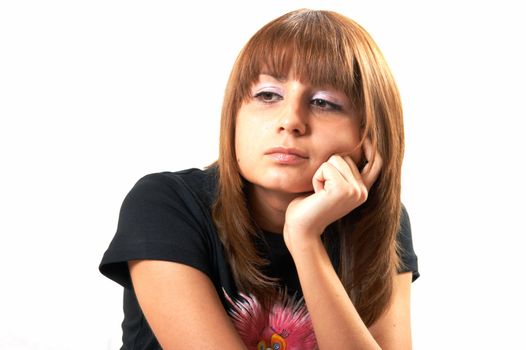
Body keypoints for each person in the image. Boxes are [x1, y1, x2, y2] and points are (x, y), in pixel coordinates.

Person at [99, 8, 419, 350]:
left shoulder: (381, 222)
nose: (290, 121)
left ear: (368, 137)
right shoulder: (164, 206)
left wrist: (304, 239)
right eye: (268, 95)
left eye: (324, 102)